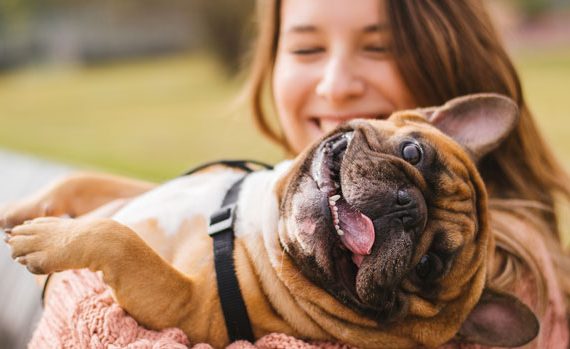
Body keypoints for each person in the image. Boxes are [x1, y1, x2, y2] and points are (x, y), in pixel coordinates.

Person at [2, 0, 570, 347]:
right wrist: (77, 195)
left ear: (444, 59)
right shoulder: (274, 194)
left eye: (428, 260)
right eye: (305, 48)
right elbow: (174, 205)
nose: (335, 84)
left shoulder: (511, 274)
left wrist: (72, 273)